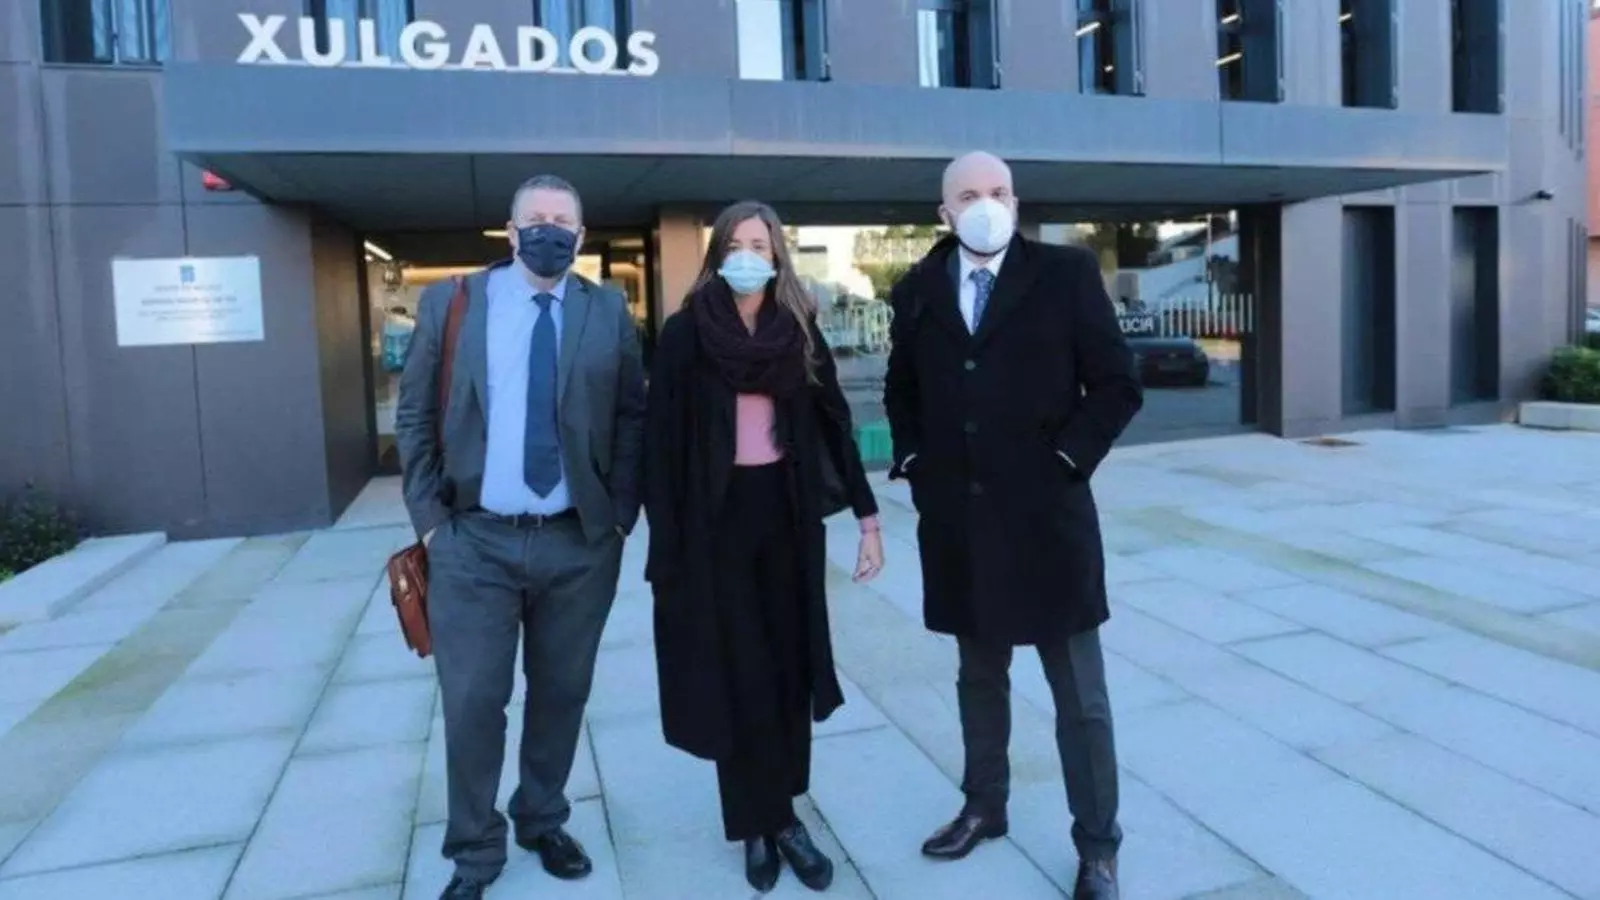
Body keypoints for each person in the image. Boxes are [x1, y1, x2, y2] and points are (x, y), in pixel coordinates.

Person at [882, 152, 1143, 900]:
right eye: (968, 194)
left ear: (1016, 202)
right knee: (978, 677)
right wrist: (914, 461)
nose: (985, 204)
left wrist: (1065, 459)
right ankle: (984, 806)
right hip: (960, 524)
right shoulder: (918, 288)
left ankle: (1098, 846)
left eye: (998, 191)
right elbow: (903, 389)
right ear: (944, 212)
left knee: (1080, 699)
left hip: (1049, 522)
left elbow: (1117, 385)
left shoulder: (1066, 274)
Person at [394, 174, 646, 900]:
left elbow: (632, 416)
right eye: (535, 219)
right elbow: (414, 416)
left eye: (562, 221)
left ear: (581, 234)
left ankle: (542, 817)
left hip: (579, 543)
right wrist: (432, 525)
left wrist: (619, 516)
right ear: (509, 232)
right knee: (474, 701)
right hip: (474, 542)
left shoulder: (606, 309)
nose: (548, 231)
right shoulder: (454, 302)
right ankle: (475, 850)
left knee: (562, 692)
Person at [643, 200, 885, 893]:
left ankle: (781, 812)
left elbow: (834, 421)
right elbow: (660, 444)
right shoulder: (688, 333)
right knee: (737, 670)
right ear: (717, 253)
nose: (748, 255)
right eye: (736, 244)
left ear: (777, 255)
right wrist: (667, 546)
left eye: (760, 244)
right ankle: (758, 822)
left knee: (787, 667)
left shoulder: (796, 329)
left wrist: (868, 519)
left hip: (785, 514)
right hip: (713, 524)